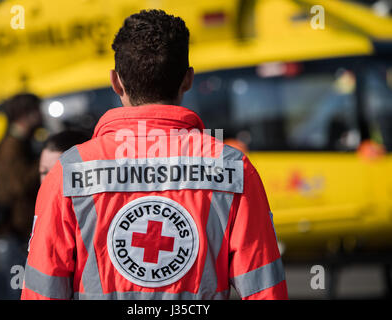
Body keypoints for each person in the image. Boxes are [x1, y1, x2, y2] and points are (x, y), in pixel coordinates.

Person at [21, 9, 288, 300]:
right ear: (187, 79)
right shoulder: (234, 170)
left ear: (115, 81)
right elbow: (266, 291)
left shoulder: (69, 171)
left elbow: (42, 292)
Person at [0, 93, 43, 299]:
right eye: (37, 111)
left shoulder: (22, 143)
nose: (41, 116)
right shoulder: (12, 146)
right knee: (20, 288)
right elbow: (17, 185)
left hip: (22, 230)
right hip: (17, 231)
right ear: (25, 115)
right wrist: (43, 162)